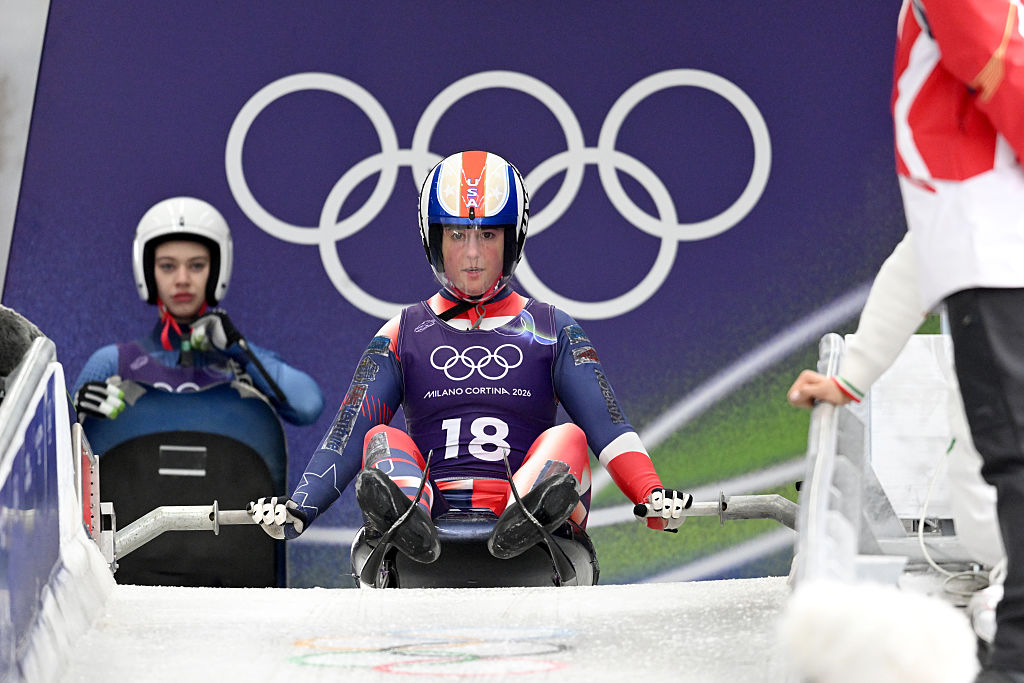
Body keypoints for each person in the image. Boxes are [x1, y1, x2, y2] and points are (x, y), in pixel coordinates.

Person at [249, 150, 691, 565]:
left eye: (488, 234)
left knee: (570, 438)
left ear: (513, 238)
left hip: (527, 519)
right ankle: (410, 524)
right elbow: (347, 434)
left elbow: (609, 427)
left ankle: (523, 521)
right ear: (433, 239)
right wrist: (298, 507)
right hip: (430, 522)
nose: (474, 253)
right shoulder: (400, 332)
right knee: (379, 439)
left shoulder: (554, 328)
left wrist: (651, 495)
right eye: (457, 234)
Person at [797, 3, 1024, 680]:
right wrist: (855, 372)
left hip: (983, 246)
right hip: (987, 256)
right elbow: (918, 256)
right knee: (1012, 461)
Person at [72, 196, 324, 428]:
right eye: (168, 266)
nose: (182, 279)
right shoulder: (113, 362)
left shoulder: (241, 361)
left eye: (197, 265)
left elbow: (307, 406)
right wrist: (75, 413)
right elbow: (64, 451)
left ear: (215, 273)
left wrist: (238, 349)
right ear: (149, 274)